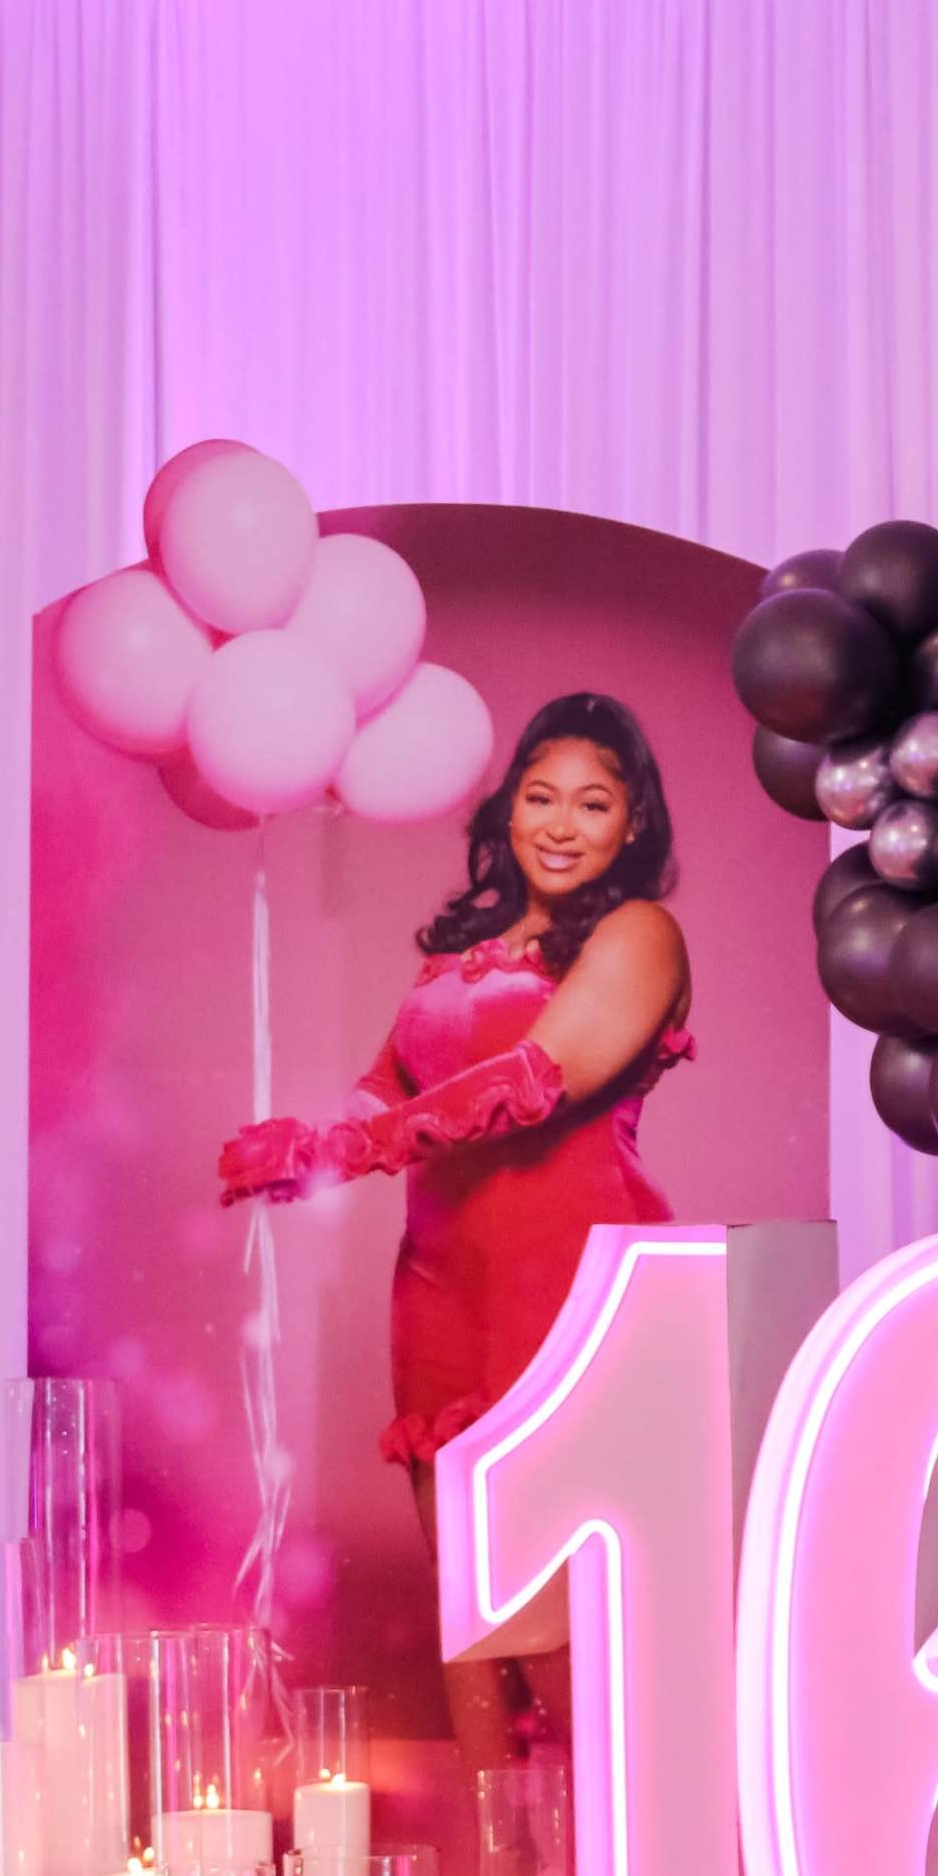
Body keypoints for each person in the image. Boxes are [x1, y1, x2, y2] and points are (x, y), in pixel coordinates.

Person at [219, 692, 690, 1766]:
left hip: (562, 1282)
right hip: (437, 1288)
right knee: (474, 1613)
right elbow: (382, 1085)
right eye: (539, 797)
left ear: (631, 826)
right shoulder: (470, 945)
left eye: (593, 804)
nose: (561, 825)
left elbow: (534, 1080)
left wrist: (350, 1150)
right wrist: (297, 1144)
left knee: (557, 1614)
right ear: (508, 811)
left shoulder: (638, 933)